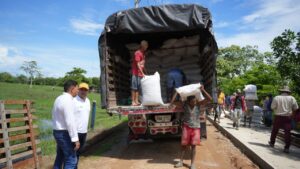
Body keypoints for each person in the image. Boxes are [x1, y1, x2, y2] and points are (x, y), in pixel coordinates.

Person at [171, 85, 212, 169]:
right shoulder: (184, 105)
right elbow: (173, 102)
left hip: (196, 128)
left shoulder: (198, 105)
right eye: (193, 101)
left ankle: (192, 164)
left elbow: (209, 99)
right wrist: (176, 92)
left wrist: (203, 90)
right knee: (183, 145)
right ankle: (181, 162)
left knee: (193, 146)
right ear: (188, 101)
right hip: (186, 127)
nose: (194, 102)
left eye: (195, 101)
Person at [52, 80, 79, 169]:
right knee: (71, 159)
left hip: (57, 131)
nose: (78, 91)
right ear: (72, 89)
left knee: (60, 157)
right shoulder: (68, 100)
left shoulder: (59, 98)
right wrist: (75, 139)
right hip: (64, 134)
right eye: (77, 88)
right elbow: (70, 121)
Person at [269, 86, 298, 153]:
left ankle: (272, 143)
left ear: (281, 91)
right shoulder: (292, 98)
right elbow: (296, 108)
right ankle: (287, 148)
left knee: (275, 130)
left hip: (278, 117)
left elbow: (272, 107)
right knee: (287, 133)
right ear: (288, 92)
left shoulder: (277, 97)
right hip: (287, 118)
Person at [73, 83, 91, 168]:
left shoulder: (88, 101)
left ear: (88, 91)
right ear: (78, 90)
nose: (83, 91)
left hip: (84, 132)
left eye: (85, 90)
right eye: (81, 89)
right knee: (73, 154)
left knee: (78, 152)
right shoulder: (73, 101)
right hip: (75, 132)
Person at [131, 40, 148, 106]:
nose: (147, 47)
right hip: (135, 73)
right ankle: (133, 101)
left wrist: (145, 73)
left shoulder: (143, 54)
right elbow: (138, 64)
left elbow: (143, 65)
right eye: (146, 46)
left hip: (140, 74)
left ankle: (136, 101)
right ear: (143, 46)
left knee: (138, 88)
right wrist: (142, 73)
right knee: (134, 88)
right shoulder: (138, 53)